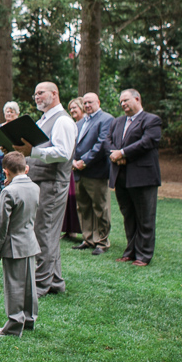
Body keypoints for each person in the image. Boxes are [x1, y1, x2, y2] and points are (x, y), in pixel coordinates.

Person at [13, 82, 76, 298]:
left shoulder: (63, 121)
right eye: (35, 93)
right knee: (42, 231)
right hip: (39, 181)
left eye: (41, 93)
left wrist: (34, 151)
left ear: (55, 93)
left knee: (45, 232)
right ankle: (55, 281)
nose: (36, 97)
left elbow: (62, 153)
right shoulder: (43, 120)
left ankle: (40, 285)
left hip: (52, 182)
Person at [105, 89, 162, 267]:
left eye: (126, 100)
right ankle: (130, 251)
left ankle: (144, 255)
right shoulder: (117, 121)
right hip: (121, 176)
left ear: (137, 99)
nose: (123, 104)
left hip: (143, 177)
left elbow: (148, 142)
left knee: (145, 217)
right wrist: (115, 154)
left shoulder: (151, 120)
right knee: (128, 215)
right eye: (121, 101)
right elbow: (107, 140)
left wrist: (122, 153)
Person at [0, 151, 41, 337]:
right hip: (30, 242)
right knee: (29, 285)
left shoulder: (9, 191)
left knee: (14, 286)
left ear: (5, 172)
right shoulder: (35, 187)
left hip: (13, 244)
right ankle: (29, 319)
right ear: (26, 168)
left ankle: (13, 325)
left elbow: (2, 224)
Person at [72, 92, 114, 255]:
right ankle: (88, 238)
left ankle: (102, 241)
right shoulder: (81, 122)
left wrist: (85, 161)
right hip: (78, 171)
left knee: (100, 207)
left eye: (90, 102)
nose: (88, 105)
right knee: (83, 207)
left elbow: (101, 144)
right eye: (85, 103)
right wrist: (74, 161)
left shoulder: (106, 119)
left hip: (95, 170)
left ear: (98, 102)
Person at [60, 98, 84, 241]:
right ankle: (69, 230)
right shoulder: (72, 124)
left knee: (78, 201)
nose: (73, 110)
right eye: (71, 108)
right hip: (70, 166)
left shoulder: (85, 124)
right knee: (68, 200)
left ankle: (82, 231)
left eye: (75, 107)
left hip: (80, 165)